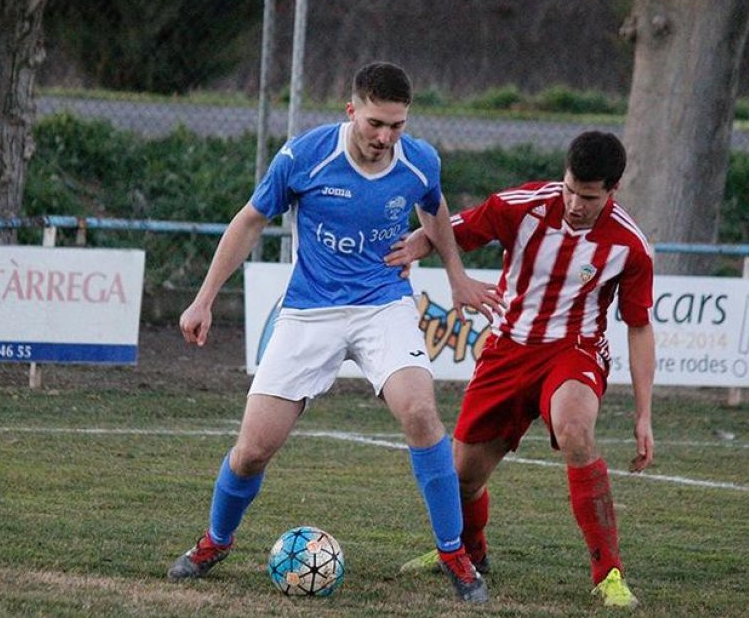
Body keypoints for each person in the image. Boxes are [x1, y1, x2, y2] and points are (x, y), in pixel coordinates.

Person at [168, 61, 503, 603]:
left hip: (383, 306)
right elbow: (249, 220)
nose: (386, 137)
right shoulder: (304, 156)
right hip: (309, 311)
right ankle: (215, 541)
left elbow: (435, 209)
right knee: (252, 450)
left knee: (421, 413)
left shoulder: (419, 161)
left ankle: (454, 552)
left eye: (397, 126)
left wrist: (456, 274)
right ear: (351, 111)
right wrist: (204, 298)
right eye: (375, 123)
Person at [389, 130, 656, 609]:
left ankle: (608, 573)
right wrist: (415, 245)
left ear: (611, 191)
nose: (575, 202)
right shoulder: (523, 206)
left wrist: (643, 415)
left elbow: (639, 327)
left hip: (574, 350)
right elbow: (453, 231)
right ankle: (468, 551)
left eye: (589, 197)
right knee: (463, 477)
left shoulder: (629, 247)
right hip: (508, 349)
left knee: (575, 429)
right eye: (571, 188)